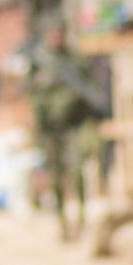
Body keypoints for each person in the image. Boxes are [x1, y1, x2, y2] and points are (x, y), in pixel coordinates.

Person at [27, 18, 101, 242]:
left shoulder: (74, 61)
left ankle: (80, 219)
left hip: (73, 126)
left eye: (60, 33)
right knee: (56, 177)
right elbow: (29, 91)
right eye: (53, 34)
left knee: (77, 172)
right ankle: (62, 222)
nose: (57, 38)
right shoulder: (39, 61)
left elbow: (89, 88)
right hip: (50, 129)